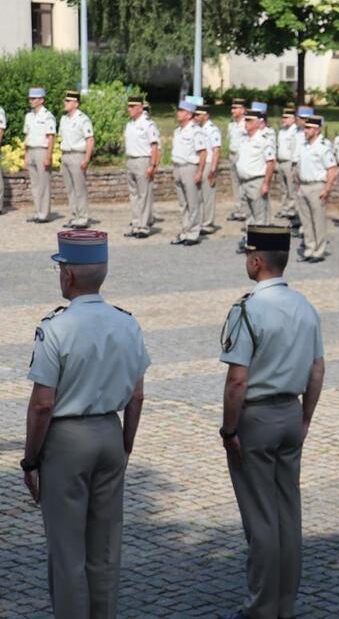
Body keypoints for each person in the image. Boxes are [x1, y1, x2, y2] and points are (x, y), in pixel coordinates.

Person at [22, 230, 148, 618]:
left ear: (68, 275)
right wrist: (124, 443)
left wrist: (30, 460)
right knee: (105, 549)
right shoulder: (127, 323)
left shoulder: (56, 328)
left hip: (67, 441)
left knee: (67, 551)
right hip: (110, 433)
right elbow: (137, 395)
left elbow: (43, 404)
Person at [219, 225, 325, 619]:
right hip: (290, 413)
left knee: (261, 517)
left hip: (256, 417)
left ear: (257, 261)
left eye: (248, 255)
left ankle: (261, 607)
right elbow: (317, 369)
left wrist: (229, 430)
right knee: (287, 511)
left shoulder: (246, 309)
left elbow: (237, 380)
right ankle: (285, 602)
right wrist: (306, 417)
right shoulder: (305, 306)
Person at [294, 115, 337, 263]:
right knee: (306, 221)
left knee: (318, 221)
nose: (305, 131)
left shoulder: (323, 147)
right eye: (305, 128)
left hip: (317, 186)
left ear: (317, 130)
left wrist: (327, 189)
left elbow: (332, 170)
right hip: (304, 186)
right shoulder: (303, 146)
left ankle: (319, 251)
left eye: (308, 128)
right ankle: (309, 249)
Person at [234, 109, 277, 253]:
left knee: (260, 216)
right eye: (246, 120)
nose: (246, 124)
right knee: (248, 215)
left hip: (257, 180)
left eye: (250, 121)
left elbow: (270, 163)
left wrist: (266, 183)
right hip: (244, 182)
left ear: (258, 123)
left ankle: (260, 245)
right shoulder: (244, 139)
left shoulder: (264, 141)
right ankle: (250, 240)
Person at [169, 100, 208, 247]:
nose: (178, 113)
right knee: (183, 203)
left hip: (190, 167)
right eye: (178, 110)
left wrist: (199, 172)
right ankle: (185, 231)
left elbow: (203, 153)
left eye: (181, 111)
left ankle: (193, 233)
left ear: (189, 114)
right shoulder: (177, 131)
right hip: (178, 167)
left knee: (193, 203)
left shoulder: (195, 131)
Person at [122, 96, 160, 238]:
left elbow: (154, 146)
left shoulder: (148, 124)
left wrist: (153, 164)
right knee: (134, 195)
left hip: (143, 160)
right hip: (131, 160)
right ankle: (136, 224)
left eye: (132, 107)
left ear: (140, 108)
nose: (129, 109)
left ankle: (144, 226)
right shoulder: (130, 123)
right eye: (129, 106)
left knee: (144, 195)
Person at [57, 90, 94, 229]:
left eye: (68, 101)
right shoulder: (64, 119)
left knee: (80, 188)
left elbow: (90, 140)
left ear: (76, 103)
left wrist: (86, 159)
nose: (65, 103)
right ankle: (74, 216)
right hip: (66, 154)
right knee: (70, 189)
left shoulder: (83, 119)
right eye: (65, 101)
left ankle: (83, 217)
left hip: (78, 155)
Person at [23, 87, 57, 223]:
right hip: (31, 150)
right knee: (35, 184)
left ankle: (44, 214)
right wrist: (25, 155)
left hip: (42, 151)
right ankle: (38, 212)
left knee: (44, 184)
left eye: (34, 98)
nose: (31, 101)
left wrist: (48, 156)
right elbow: (26, 136)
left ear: (41, 100)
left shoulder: (48, 116)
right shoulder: (29, 116)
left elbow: (51, 137)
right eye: (30, 98)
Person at [195, 104, 222, 236]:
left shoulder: (212, 130)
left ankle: (208, 223)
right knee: (199, 195)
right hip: (200, 164)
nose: (197, 117)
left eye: (199, 115)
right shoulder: (198, 128)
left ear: (206, 115)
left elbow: (216, 150)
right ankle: (200, 221)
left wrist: (213, 169)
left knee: (208, 195)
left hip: (209, 163)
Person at [275, 106, 300, 221]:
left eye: (287, 117)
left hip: (290, 162)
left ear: (293, 118)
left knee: (291, 188)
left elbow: (296, 148)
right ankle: (284, 208)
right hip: (281, 161)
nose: (284, 119)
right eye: (283, 117)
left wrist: (294, 163)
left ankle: (292, 209)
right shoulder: (282, 131)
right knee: (283, 188)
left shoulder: (296, 131)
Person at [226, 98, 249, 221]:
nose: (232, 110)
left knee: (243, 184)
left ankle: (245, 210)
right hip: (233, 155)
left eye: (235, 108)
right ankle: (238, 208)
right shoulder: (232, 124)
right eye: (232, 108)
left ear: (243, 110)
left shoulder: (246, 124)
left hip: (242, 156)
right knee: (235, 183)